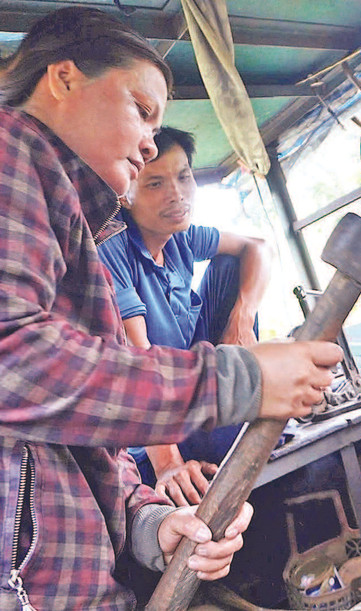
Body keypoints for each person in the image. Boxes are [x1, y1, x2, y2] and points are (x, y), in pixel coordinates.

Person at [0, 7, 341, 609]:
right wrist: (245, 379)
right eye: (141, 108)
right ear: (64, 79)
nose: (150, 143)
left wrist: (152, 523)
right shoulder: (10, 158)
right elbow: (15, 367)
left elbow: (77, 445)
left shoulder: (78, 231)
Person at [99, 126, 272, 506]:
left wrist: (241, 320)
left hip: (189, 391)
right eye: (155, 184)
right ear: (124, 195)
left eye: (184, 177)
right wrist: (169, 466)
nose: (176, 194)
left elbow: (257, 248)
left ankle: (232, 409)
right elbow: (136, 363)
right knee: (236, 438)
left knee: (232, 264)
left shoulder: (181, 236)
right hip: (151, 428)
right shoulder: (111, 247)